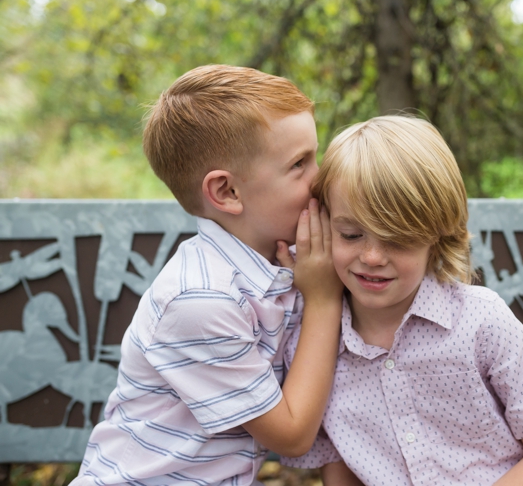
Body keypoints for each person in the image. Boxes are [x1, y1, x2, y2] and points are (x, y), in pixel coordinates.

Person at [76, 66, 343, 486]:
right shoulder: (201, 299)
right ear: (226, 192)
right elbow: (292, 435)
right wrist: (323, 299)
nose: (321, 178)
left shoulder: (279, 261)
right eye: (299, 164)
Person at [279, 116, 523, 486]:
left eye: (397, 238)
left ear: (436, 234)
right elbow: (341, 465)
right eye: (352, 234)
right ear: (325, 228)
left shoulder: (481, 323)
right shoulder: (312, 350)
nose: (372, 256)